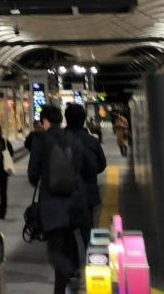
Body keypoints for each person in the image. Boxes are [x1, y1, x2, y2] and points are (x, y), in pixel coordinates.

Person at [29, 104, 96, 294]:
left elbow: (32, 175)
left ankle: (71, 273)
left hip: (52, 206)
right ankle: (63, 286)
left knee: (55, 252)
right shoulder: (74, 139)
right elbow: (89, 167)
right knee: (68, 245)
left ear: (45, 121)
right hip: (75, 203)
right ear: (60, 120)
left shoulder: (40, 140)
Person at [65, 103, 107, 244]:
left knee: (65, 232)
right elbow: (102, 164)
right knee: (88, 230)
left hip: (65, 192)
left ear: (66, 119)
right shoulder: (92, 141)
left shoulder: (59, 140)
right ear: (83, 119)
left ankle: (69, 256)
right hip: (88, 192)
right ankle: (92, 254)